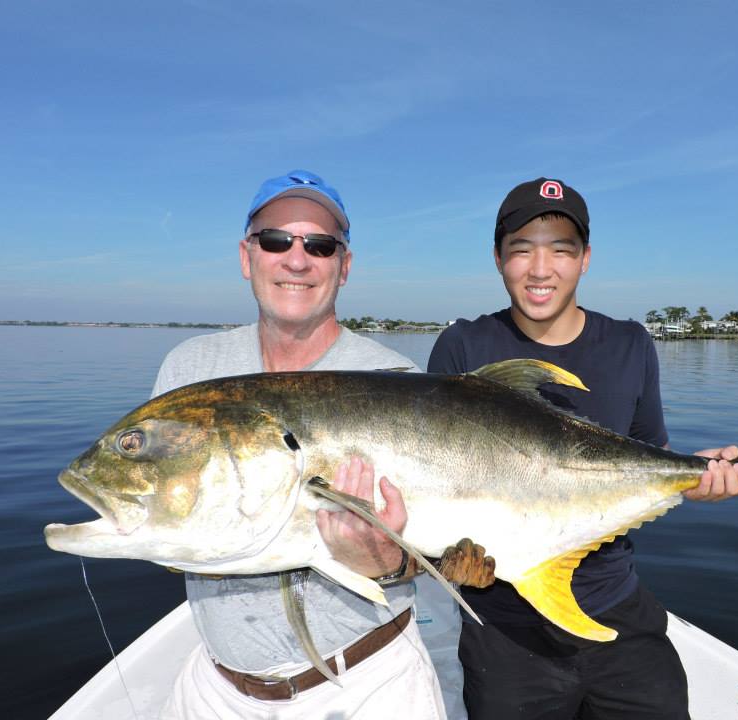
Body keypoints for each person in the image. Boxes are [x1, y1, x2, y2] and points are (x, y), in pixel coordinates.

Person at [153, 170, 489, 719]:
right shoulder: (190, 371)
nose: (296, 258)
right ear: (247, 255)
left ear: (344, 265)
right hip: (218, 685)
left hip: (366, 681)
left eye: (320, 245)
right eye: (275, 240)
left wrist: (388, 564)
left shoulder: (394, 377)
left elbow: (425, 552)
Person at [427, 177, 738, 720]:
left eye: (561, 249)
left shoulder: (630, 343)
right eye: (521, 249)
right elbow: (437, 476)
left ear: (585, 259)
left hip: (616, 607)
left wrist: (697, 482)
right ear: (498, 258)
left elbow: (649, 456)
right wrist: (445, 560)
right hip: (503, 623)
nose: (540, 268)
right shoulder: (463, 346)